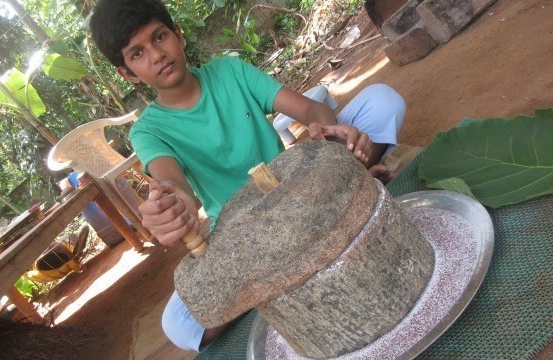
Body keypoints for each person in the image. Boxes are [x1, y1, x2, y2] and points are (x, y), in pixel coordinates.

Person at [90, 0, 406, 352]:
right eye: (137, 53)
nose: (156, 54)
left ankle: (271, 277)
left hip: (303, 189)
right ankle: (348, 195)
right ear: (128, 73)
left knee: (382, 100)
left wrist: (328, 125)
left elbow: (307, 107)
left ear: (177, 35)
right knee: (178, 324)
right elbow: (175, 185)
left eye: (159, 37)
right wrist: (172, 206)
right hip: (240, 240)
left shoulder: (229, 72)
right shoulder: (148, 132)